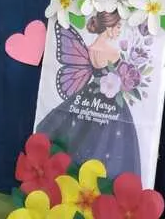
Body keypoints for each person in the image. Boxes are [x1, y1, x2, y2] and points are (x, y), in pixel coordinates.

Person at [36, 11, 141, 176]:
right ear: (108, 27)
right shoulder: (113, 52)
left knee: (80, 132)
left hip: (90, 93)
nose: (119, 30)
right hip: (110, 98)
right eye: (118, 27)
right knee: (110, 140)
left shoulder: (90, 49)